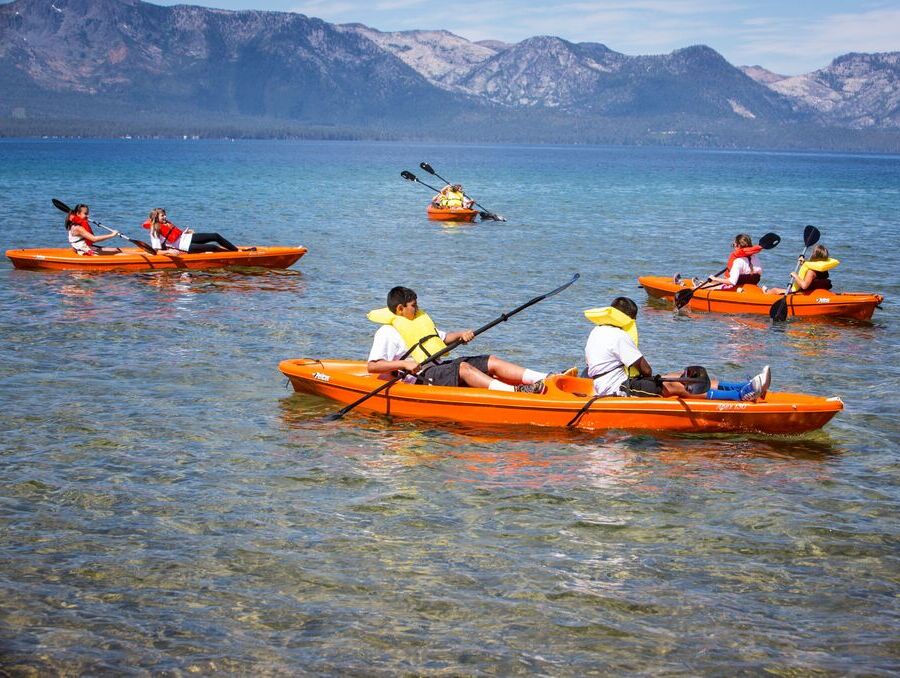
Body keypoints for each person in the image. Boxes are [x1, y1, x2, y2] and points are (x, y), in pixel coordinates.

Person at [367, 286, 575, 393]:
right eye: (413, 305)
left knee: (490, 360)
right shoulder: (387, 332)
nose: (418, 308)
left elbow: (442, 339)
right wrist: (404, 363)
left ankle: (545, 377)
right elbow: (373, 367)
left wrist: (461, 335)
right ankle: (514, 391)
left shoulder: (418, 321)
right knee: (463, 368)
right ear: (400, 309)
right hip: (421, 378)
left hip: (438, 367)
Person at [584, 296, 771, 401]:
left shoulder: (597, 330)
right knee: (675, 386)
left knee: (682, 376)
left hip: (617, 383)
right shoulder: (618, 335)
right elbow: (646, 368)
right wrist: (652, 379)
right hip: (618, 389)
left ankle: (746, 386)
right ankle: (739, 396)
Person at [142, 208, 240, 254]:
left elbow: (174, 235)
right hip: (183, 246)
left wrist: (185, 233)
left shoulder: (165, 223)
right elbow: (156, 250)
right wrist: (170, 252)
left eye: (165, 214)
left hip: (185, 238)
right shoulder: (155, 231)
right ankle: (233, 255)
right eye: (162, 215)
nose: (165, 217)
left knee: (215, 235)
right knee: (213, 247)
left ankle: (236, 251)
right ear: (156, 217)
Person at [765, 245, 839, 294]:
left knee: (775, 290)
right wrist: (803, 263)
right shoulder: (823, 269)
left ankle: (766, 292)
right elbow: (811, 266)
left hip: (804, 292)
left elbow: (804, 286)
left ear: (813, 256)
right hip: (818, 291)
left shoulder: (811, 272)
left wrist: (795, 275)